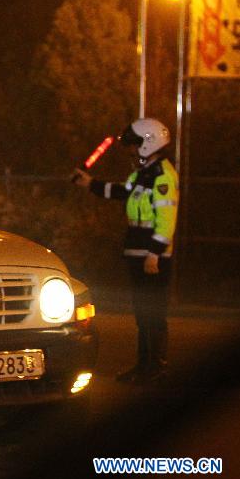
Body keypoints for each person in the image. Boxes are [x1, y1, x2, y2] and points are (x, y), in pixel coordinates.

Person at [73, 118, 178, 384]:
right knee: (143, 312)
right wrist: (91, 184)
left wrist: (155, 253)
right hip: (138, 250)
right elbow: (123, 192)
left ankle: (156, 367)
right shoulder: (144, 172)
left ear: (148, 143)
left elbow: (167, 219)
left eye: (134, 145)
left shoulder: (162, 175)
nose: (131, 151)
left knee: (153, 312)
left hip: (152, 256)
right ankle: (144, 366)